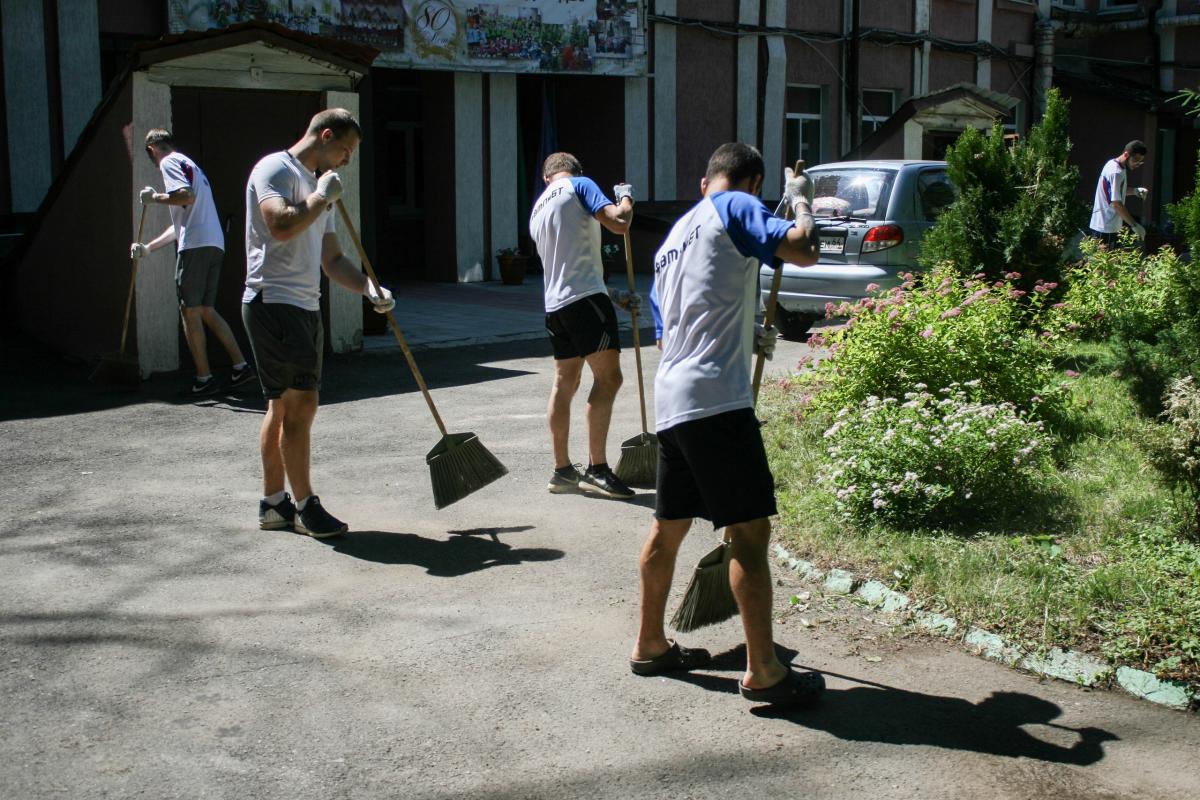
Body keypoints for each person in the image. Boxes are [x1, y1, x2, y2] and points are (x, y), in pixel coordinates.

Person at [629, 143, 823, 707]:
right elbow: (802, 249)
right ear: (751, 182)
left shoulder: (669, 244)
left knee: (668, 527)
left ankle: (650, 644)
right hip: (716, 402)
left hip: (674, 400)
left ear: (703, 179)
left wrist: (746, 337)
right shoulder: (735, 206)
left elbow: (675, 331)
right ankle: (764, 672)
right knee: (749, 532)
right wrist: (803, 204)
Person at [242, 108, 394, 538]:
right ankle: (306, 505)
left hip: (303, 306)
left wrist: (369, 289)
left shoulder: (319, 186)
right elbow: (280, 226)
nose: (347, 160)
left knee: (282, 406)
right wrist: (319, 199)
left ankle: (274, 504)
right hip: (273, 300)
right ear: (325, 136)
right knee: (300, 405)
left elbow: (332, 261)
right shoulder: (275, 168)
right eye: (345, 150)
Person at [528, 152, 641, 499]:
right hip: (586, 300)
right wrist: (625, 196)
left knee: (565, 382)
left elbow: (566, 264)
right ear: (573, 172)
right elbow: (620, 223)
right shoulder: (580, 184)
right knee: (610, 378)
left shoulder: (537, 211)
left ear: (547, 178)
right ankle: (597, 469)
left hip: (555, 306)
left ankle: (562, 470)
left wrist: (614, 293)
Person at [131, 129, 254, 395]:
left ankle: (204, 378)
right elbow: (180, 224)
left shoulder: (169, 162)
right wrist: (148, 248)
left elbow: (185, 197)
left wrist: (154, 199)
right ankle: (241, 367)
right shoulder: (191, 166)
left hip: (196, 246)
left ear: (152, 148)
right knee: (206, 310)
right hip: (213, 243)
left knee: (189, 311)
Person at [1088, 140, 1149, 247]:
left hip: (1106, 225)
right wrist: (1134, 225)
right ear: (1126, 155)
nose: (1137, 164)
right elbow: (1116, 204)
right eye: (1135, 160)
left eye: (1140, 162)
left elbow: (1115, 192)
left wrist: (1135, 191)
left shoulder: (1113, 164)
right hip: (1105, 227)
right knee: (1102, 263)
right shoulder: (1116, 172)